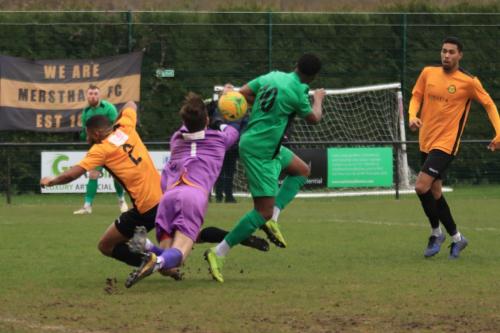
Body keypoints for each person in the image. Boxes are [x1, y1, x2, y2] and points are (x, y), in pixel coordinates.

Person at [204, 53, 325, 282]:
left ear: (295, 64)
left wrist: (232, 96)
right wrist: (318, 98)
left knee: (301, 171)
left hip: (268, 146)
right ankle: (217, 253)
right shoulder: (298, 92)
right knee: (262, 211)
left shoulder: (273, 76)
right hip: (260, 151)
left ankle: (273, 219)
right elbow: (314, 118)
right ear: (313, 77)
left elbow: (245, 94)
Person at [124, 92, 257, 288]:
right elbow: (233, 131)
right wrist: (218, 120)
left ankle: (147, 247)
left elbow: (188, 125)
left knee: (170, 266)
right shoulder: (219, 140)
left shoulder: (177, 139)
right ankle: (155, 260)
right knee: (177, 257)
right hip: (192, 196)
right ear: (207, 120)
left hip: (168, 197)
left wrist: (203, 114)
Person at [408, 36, 500, 259]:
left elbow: (489, 104)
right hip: (426, 141)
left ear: (460, 55)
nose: (446, 55)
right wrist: (412, 115)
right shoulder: (428, 73)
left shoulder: (468, 82)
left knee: (421, 187)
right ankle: (458, 239)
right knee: (435, 192)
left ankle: (436, 233)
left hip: (446, 145)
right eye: (444, 51)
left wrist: (499, 132)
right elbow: (416, 96)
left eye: (451, 52)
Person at [40, 101, 162, 268]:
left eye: (88, 134)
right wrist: (117, 121)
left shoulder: (101, 149)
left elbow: (72, 174)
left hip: (146, 208)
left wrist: (51, 181)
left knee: (106, 245)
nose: (87, 138)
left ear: (97, 133)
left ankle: (152, 263)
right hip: (164, 197)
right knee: (137, 237)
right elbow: (131, 104)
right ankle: (159, 259)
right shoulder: (125, 127)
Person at [73, 85, 128, 215]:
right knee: (93, 174)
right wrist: (83, 135)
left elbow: (117, 127)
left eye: (95, 93)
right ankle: (87, 207)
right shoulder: (86, 112)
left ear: (99, 95)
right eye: (90, 93)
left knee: (117, 177)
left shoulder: (108, 108)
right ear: (87, 96)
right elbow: (86, 132)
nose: (93, 96)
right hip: (97, 148)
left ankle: (121, 200)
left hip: (112, 148)